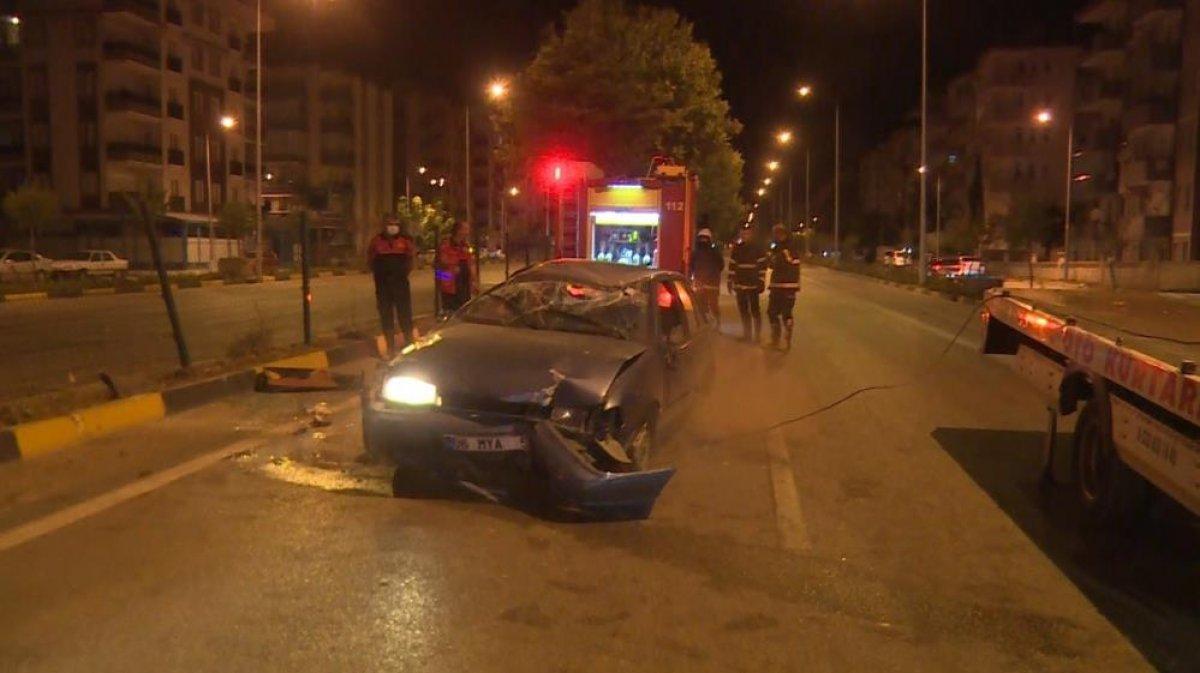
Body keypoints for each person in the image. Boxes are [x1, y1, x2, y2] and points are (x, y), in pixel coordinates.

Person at [367, 217, 415, 357]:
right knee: (386, 316)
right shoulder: (376, 241)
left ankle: (409, 345)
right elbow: (370, 259)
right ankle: (390, 348)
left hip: (400, 284)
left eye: (395, 224)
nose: (392, 227)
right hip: (383, 285)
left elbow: (411, 259)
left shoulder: (405, 241)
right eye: (389, 224)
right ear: (384, 226)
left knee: (405, 315)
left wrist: (402, 273)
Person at [727, 224, 767, 342]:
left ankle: (757, 336)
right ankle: (747, 334)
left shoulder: (758, 249)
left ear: (751, 234)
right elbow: (732, 265)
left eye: (747, 233)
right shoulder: (737, 249)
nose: (744, 236)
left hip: (753, 285)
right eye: (742, 233)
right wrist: (730, 280)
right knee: (743, 310)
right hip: (740, 285)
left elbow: (762, 266)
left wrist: (761, 281)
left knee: (755, 310)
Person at [766, 223, 802, 350]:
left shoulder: (779, 249)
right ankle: (788, 324)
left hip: (778, 286)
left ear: (780, 235)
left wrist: (771, 258)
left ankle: (775, 339)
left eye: (776, 234)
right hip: (791, 287)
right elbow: (796, 265)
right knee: (787, 313)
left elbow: (772, 265)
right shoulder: (794, 249)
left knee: (772, 312)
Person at [438, 221, 477, 313]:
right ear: (458, 231)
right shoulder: (445, 245)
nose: (468, 232)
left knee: (464, 310)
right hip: (450, 287)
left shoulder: (466, 246)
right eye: (465, 229)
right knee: (451, 312)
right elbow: (438, 269)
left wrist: (474, 281)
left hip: (464, 286)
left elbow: (471, 263)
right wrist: (448, 275)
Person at [689, 228, 725, 326]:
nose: (703, 241)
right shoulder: (697, 253)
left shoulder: (713, 253)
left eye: (704, 239)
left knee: (711, 305)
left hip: (710, 284)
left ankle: (715, 323)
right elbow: (691, 267)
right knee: (703, 305)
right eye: (702, 239)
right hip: (704, 284)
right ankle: (707, 324)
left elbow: (721, 265)